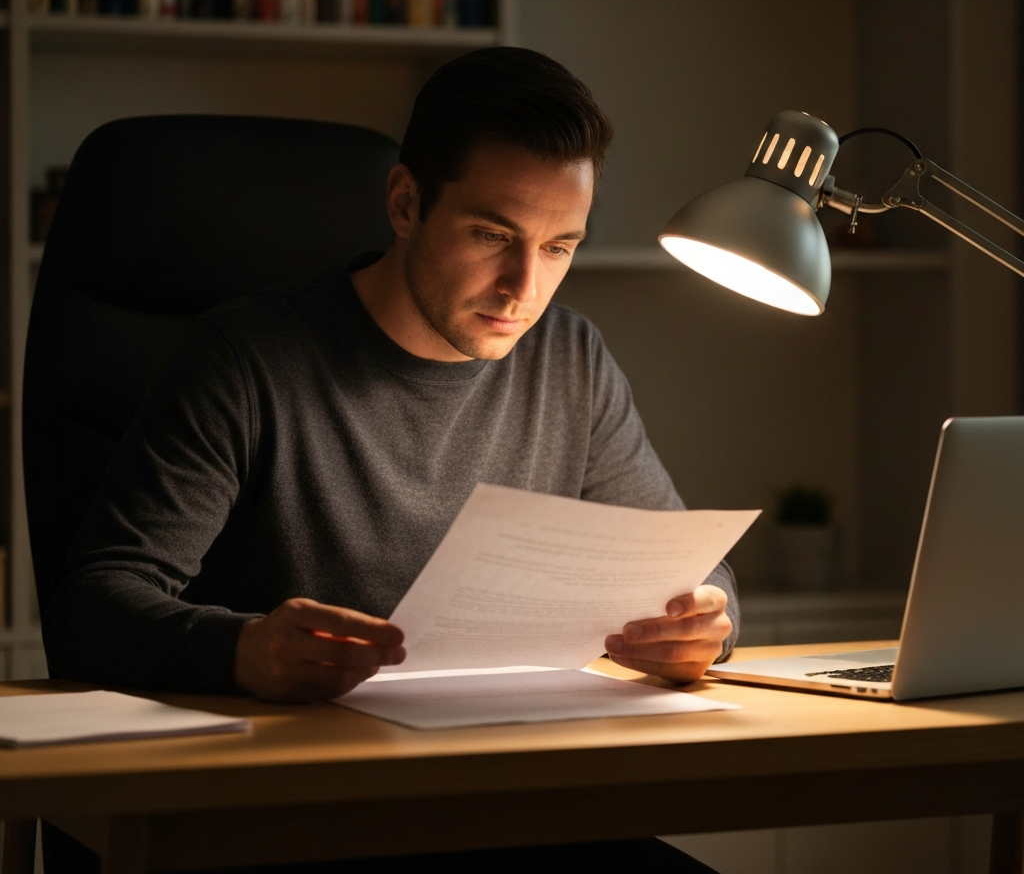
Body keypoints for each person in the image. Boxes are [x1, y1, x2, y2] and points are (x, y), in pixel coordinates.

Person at [43, 47, 736, 873]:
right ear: (405, 203)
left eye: (559, 247)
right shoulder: (248, 359)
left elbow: (707, 580)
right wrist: (245, 649)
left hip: (503, 804)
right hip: (287, 818)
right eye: (492, 235)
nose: (524, 288)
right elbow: (92, 606)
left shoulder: (570, 358)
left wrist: (703, 627)